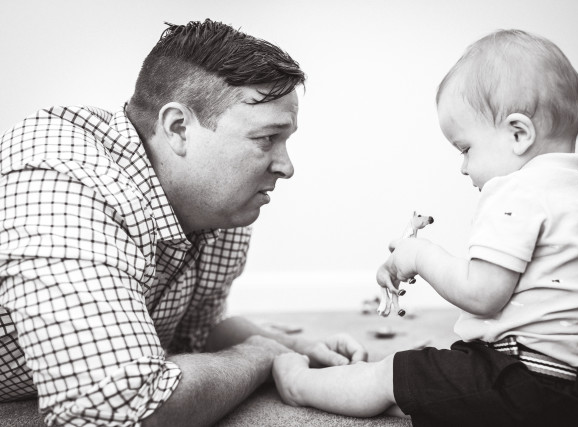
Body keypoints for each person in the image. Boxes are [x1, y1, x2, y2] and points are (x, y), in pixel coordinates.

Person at [0, 19, 368, 426]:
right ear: (178, 128)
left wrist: (292, 346)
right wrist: (259, 355)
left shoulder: (217, 209)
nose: (286, 166)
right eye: (266, 138)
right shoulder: (64, 179)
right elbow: (122, 412)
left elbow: (192, 335)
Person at [272, 29, 578, 427]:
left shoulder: (518, 190)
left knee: (393, 373)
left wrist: (419, 255)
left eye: (465, 149)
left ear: (518, 134)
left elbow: (482, 295)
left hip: (527, 383)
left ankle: (299, 385)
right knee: (430, 381)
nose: (463, 167)